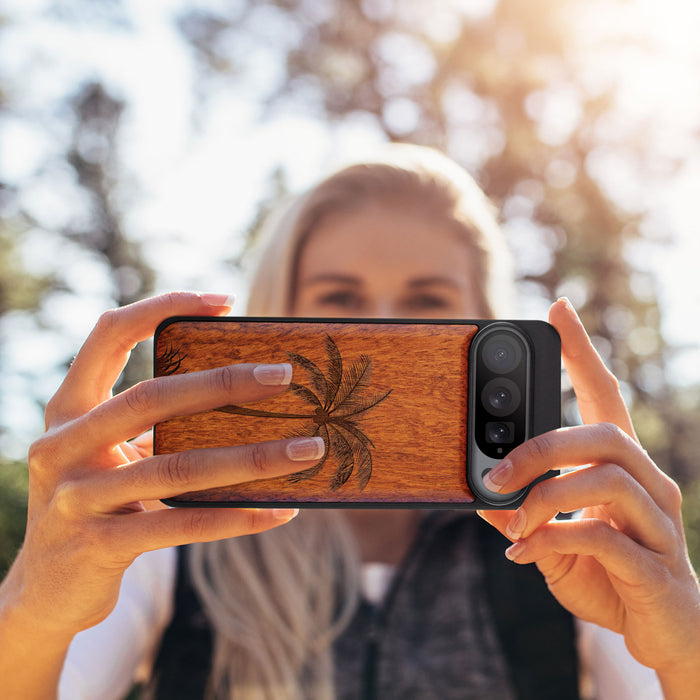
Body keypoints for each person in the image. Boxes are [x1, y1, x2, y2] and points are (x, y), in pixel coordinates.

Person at [0, 145, 698, 700]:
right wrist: (34, 607)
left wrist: (685, 648)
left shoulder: (567, 543)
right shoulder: (171, 535)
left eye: (427, 302)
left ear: (486, 323)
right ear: (278, 314)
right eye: (340, 299)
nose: (383, 330)